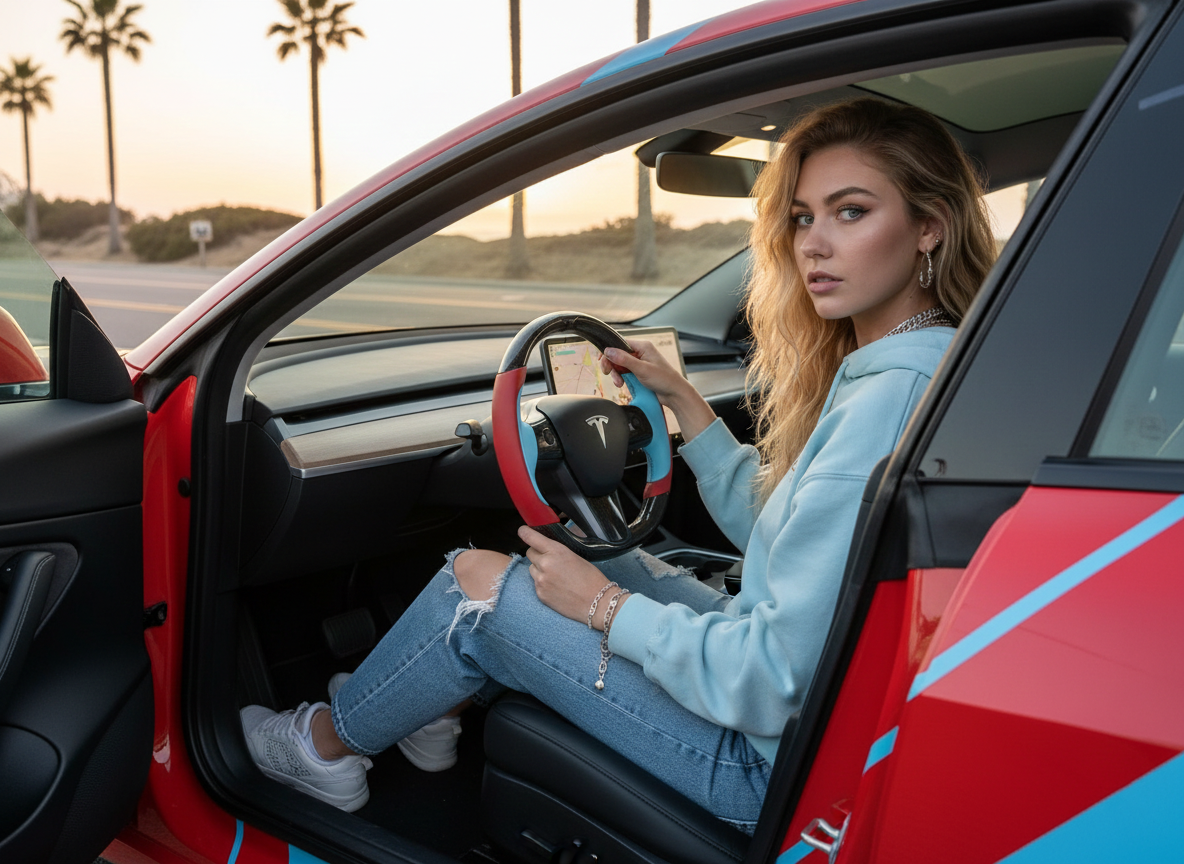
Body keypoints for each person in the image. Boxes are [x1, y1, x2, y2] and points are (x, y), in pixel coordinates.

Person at [241, 98, 996, 830]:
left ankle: (324, 749)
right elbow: (795, 535)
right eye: (802, 217)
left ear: (929, 227)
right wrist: (687, 406)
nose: (813, 244)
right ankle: (427, 707)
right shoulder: (926, 368)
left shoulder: (882, 401)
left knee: (476, 584)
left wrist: (602, 606)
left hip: (766, 766)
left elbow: (769, 681)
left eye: (851, 211)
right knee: (588, 545)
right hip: (819, 715)